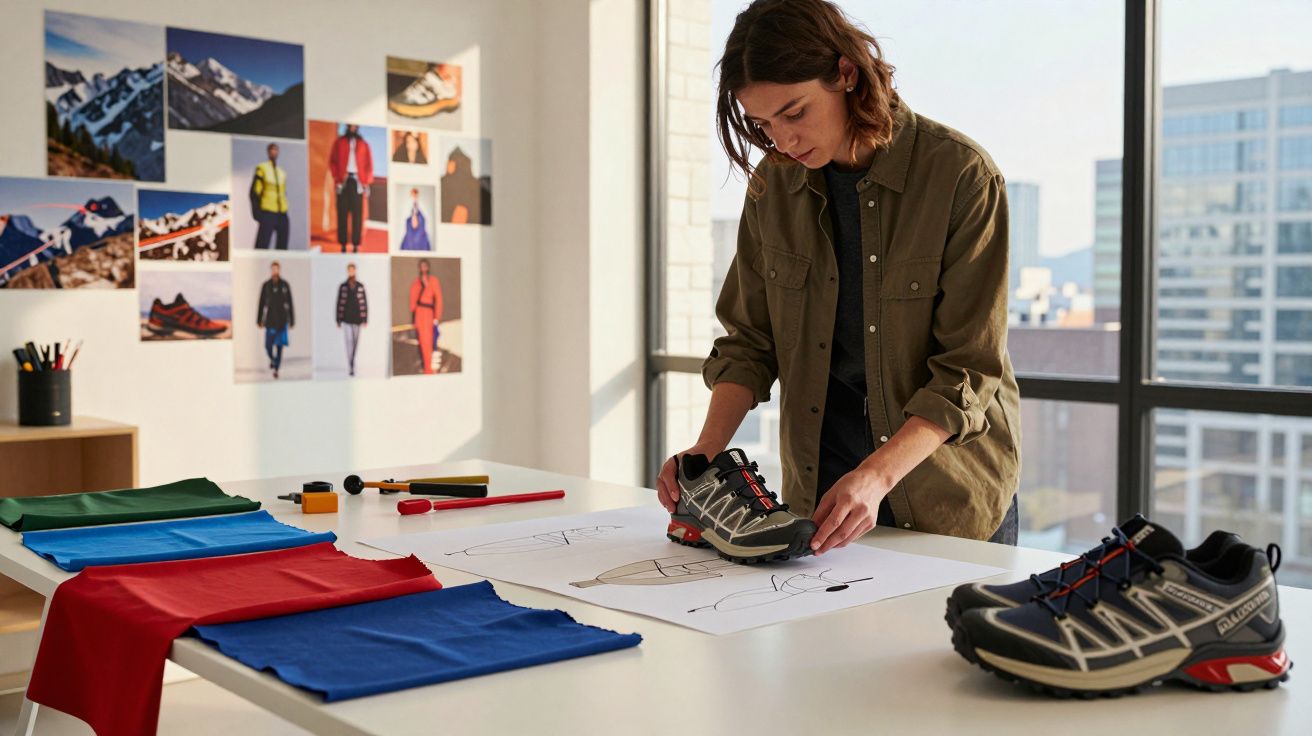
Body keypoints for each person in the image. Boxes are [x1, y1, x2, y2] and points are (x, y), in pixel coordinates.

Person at [656, 0, 1021, 554]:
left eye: (795, 112)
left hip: (947, 499)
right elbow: (750, 342)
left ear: (846, 73)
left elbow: (967, 371)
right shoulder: (772, 188)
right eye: (763, 124)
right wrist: (707, 450)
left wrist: (875, 477)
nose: (783, 141)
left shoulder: (961, 177)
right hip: (821, 502)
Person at [328, 124, 375, 253]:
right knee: (342, 214)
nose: (353, 128)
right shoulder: (339, 142)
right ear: (348, 127)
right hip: (343, 181)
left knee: (357, 215)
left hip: (357, 182)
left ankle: (355, 244)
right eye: (351, 126)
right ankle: (342, 243)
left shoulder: (363, 144)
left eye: (355, 126)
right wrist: (337, 178)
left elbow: (369, 165)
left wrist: (366, 182)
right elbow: (332, 161)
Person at [256, 260, 294, 379]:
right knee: (268, 346)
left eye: (277, 269)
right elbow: (261, 304)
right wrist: (259, 320)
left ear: (279, 270)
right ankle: (272, 359)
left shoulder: (285, 285)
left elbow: (290, 303)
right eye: (273, 269)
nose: (275, 271)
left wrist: (292, 320)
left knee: (279, 347)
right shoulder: (266, 285)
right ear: (271, 270)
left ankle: (276, 369)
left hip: (282, 321)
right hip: (270, 321)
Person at [250, 143, 289, 250]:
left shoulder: (282, 173)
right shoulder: (262, 169)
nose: (274, 152)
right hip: (268, 212)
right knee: (262, 245)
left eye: (276, 150)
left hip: (282, 213)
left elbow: (283, 192)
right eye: (272, 150)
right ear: (268, 152)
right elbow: (254, 192)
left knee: (283, 246)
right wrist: (257, 213)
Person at [408, 259, 442, 375]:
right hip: (419, 314)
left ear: (428, 267)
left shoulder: (433, 281)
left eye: (425, 266)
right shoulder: (415, 283)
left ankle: (432, 368)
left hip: (429, 313)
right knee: (423, 342)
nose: (423, 268)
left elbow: (438, 299)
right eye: (421, 266)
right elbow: (412, 301)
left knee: (432, 340)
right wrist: (414, 317)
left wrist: (436, 316)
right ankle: (428, 368)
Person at [335, 263, 368, 376]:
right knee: (349, 341)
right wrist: (338, 319)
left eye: (352, 270)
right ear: (347, 271)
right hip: (347, 318)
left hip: (358, 318)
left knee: (355, 342)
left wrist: (365, 318)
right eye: (349, 270)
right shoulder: (343, 286)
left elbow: (364, 302)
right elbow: (339, 303)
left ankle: (352, 361)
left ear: (355, 271)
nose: (351, 272)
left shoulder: (360, 286)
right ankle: (351, 365)